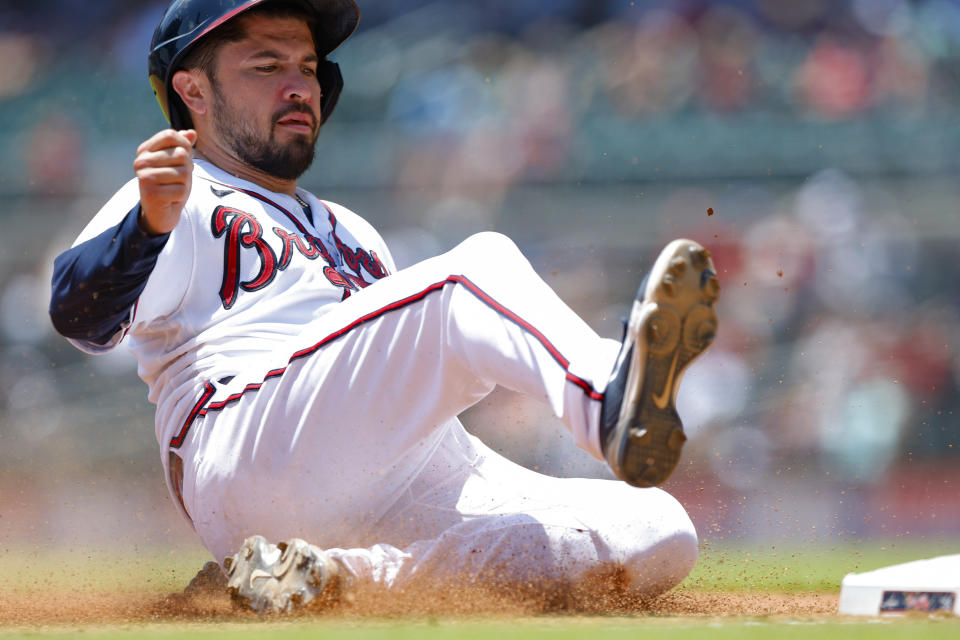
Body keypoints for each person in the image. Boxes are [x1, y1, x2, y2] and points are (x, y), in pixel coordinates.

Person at [49, 0, 720, 613]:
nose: (299, 86)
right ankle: (607, 394)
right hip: (247, 438)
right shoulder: (182, 192)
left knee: (656, 530)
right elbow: (79, 315)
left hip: (393, 470)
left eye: (308, 67)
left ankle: (325, 577)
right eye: (266, 64)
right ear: (192, 90)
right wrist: (148, 224)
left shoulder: (352, 229)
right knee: (471, 273)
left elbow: (387, 374)